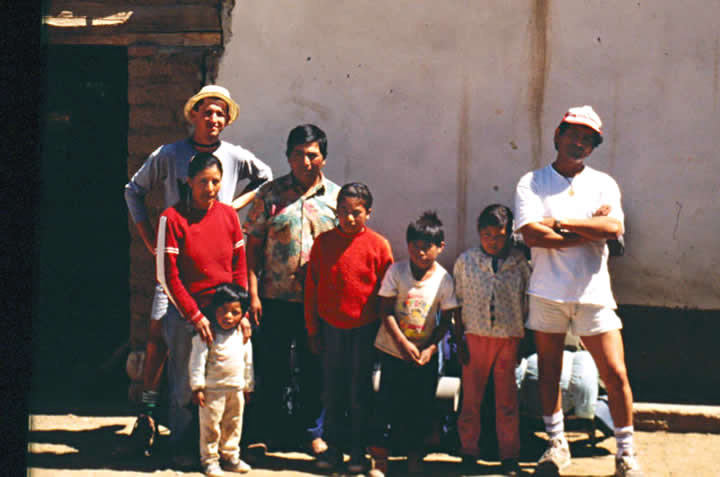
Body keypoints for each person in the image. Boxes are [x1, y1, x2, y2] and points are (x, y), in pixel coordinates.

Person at [124, 85, 271, 455]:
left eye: (221, 113)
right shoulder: (170, 155)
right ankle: (151, 417)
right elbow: (133, 191)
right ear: (194, 115)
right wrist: (150, 242)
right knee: (163, 338)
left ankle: (213, 443)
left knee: (215, 360)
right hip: (175, 263)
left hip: (217, 273)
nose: (214, 119)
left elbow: (267, 178)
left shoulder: (234, 157)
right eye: (207, 112)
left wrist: (232, 205)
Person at [514, 105, 642, 476]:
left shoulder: (604, 183)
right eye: (573, 135)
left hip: (593, 293)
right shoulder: (532, 182)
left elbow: (613, 227)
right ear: (558, 135)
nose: (579, 144)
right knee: (549, 372)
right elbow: (531, 233)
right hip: (547, 292)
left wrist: (562, 223)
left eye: (588, 140)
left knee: (616, 374)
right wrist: (588, 230)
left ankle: (626, 453)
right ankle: (557, 445)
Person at [244, 124, 340, 455]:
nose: (305, 161)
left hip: (317, 303)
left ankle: (312, 431)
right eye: (297, 154)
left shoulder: (337, 200)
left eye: (312, 155)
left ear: (323, 159)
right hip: (273, 298)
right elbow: (252, 247)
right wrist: (252, 293)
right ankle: (268, 431)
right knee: (272, 367)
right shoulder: (269, 195)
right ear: (288, 156)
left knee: (314, 368)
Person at [156, 152, 252, 465]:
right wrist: (194, 316)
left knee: (225, 384)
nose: (209, 188)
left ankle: (223, 450)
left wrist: (243, 312)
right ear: (188, 181)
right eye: (203, 182)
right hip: (187, 315)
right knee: (187, 382)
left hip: (225, 316)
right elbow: (167, 274)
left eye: (215, 182)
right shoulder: (172, 218)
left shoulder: (228, 216)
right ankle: (183, 448)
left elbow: (239, 267)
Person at [304, 182, 394, 473]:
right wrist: (313, 330)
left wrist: (383, 334)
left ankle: (358, 450)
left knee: (360, 390)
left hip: (364, 330)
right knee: (332, 390)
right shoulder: (324, 243)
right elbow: (312, 288)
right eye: (343, 211)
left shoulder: (379, 246)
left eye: (356, 212)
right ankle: (333, 448)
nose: (349, 218)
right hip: (331, 328)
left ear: (368, 213)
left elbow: (386, 294)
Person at [369, 211, 459, 477]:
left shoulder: (444, 279)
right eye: (415, 247)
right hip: (392, 351)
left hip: (423, 356)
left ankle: (414, 458)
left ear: (440, 247)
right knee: (386, 403)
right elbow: (384, 310)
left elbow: (448, 319)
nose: (420, 253)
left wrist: (430, 348)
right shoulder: (397, 271)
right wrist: (401, 343)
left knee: (420, 407)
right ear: (407, 245)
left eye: (427, 247)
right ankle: (381, 461)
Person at [452, 204, 531, 477]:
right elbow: (457, 302)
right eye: (486, 235)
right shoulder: (467, 261)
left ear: (508, 235)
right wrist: (459, 340)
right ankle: (468, 452)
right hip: (475, 337)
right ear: (478, 233)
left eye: (499, 235)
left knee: (507, 401)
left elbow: (526, 301)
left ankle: (509, 456)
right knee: (471, 400)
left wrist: (524, 339)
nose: (492, 241)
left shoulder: (520, 263)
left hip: (508, 339)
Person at [189, 283, 254, 477]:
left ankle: (230, 456)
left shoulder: (242, 335)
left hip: (235, 389)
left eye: (235, 312)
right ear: (214, 310)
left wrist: (248, 386)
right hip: (212, 391)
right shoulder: (207, 335)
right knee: (211, 427)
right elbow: (197, 361)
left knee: (233, 424)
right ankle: (210, 460)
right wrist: (197, 387)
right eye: (223, 311)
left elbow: (247, 361)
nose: (228, 317)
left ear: (242, 314)